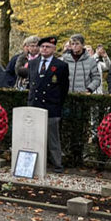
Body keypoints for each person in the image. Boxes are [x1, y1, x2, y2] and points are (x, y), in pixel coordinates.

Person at [27, 36, 70, 174]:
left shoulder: (61, 66)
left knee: (53, 139)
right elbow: (31, 85)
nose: (44, 49)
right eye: (42, 47)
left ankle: (57, 164)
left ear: (54, 49)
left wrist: (57, 105)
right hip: (35, 105)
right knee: (33, 137)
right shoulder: (33, 63)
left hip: (51, 107)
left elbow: (64, 88)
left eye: (48, 47)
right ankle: (32, 163)